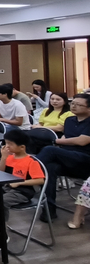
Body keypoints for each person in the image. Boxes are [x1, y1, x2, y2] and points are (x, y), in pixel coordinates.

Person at [0, 130, 45, 250]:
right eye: (6, 143)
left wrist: (20, 183)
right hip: (6, 187)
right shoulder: (9, 158)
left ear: (22, 147)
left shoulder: (31, 162)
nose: (7, 146)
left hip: (23, 191)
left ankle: (2, 233)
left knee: (2, 202)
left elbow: (40, 180)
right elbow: (0, 173)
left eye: (10, 144)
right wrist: (3, 158)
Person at [37, 93, 90, 221]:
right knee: (49, 168)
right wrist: (60, 142)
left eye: (78, 105)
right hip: (68, 157)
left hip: (85, 160)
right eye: (73, 103)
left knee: (49, 149)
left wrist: (56, 141)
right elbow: (66, 138)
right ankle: (49, 210)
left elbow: (82, 141)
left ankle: (27, 175)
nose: (74, 106)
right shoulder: (69, 120)